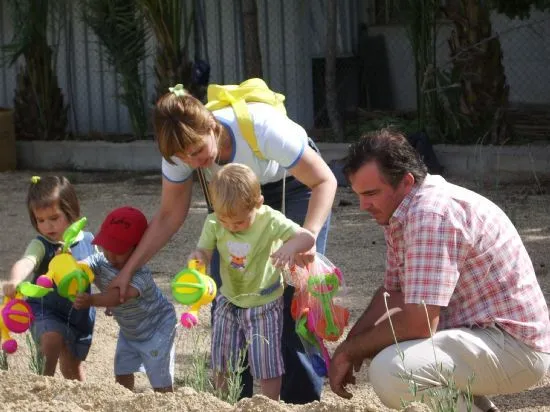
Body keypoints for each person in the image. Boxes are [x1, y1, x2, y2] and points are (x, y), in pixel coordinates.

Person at [109, 84, 337, 402]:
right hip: (233, 199)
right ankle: (231, 400)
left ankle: (300, 400)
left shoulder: (261, 129)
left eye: (199, 151)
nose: (194, 161)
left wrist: (308, 234)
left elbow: (324, 179)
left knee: (291, 296)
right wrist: (128, 271)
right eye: (185, 158)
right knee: (228, 293)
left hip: (293, 184)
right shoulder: (180, 152)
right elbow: (168, 216)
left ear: (211, 127)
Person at [328, 128, 550, 411]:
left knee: (393, 369)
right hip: (489, 339)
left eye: (371, 193)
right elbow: (394, 293)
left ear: (406, 182)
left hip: (515, 347)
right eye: (358, 194)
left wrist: (350, 350)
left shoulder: (430, 214)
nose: (362, 206)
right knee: (390, 350)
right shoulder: (403, 209)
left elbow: (419, 323)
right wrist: (352, 345)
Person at [188, 163, 315, 400]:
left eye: (238, 222)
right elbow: (203, 252)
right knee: (221, 358)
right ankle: (223, 402)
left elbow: (307, 238)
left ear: (258, 203)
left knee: (267, 361)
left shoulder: (270, 220)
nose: (231, 227)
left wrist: (290, 246)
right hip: (228, 300)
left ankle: (269, 404)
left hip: (264, 303)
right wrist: (199, 258)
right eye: (225, 221)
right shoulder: (215, 221)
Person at [73, 206, 177, 393]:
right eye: (108, 247)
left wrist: (91, 300)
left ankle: (166, 401)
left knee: (158, 374)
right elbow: (83, 265)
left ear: (138, 248)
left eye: (118, 250)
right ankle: (124, 399)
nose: (111, 255)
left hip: (157, 328)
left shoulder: (141, 274)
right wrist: (69, 265)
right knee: (122, 370)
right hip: (130, 331)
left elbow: (118, 297)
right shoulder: (101, 260)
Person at [1, 175, 96, 380]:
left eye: (54, 218)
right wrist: (15, 280)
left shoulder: (88, 242)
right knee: (51, 339)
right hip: (46, 308)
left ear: (71, 212)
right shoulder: (41, 244)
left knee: (72, 367)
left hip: (79, 314)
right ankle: (43, 384)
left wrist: (111, 297)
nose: (47, 226)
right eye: (40, 220)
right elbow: (27, 261)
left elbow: (102, 271)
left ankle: (78, 401)